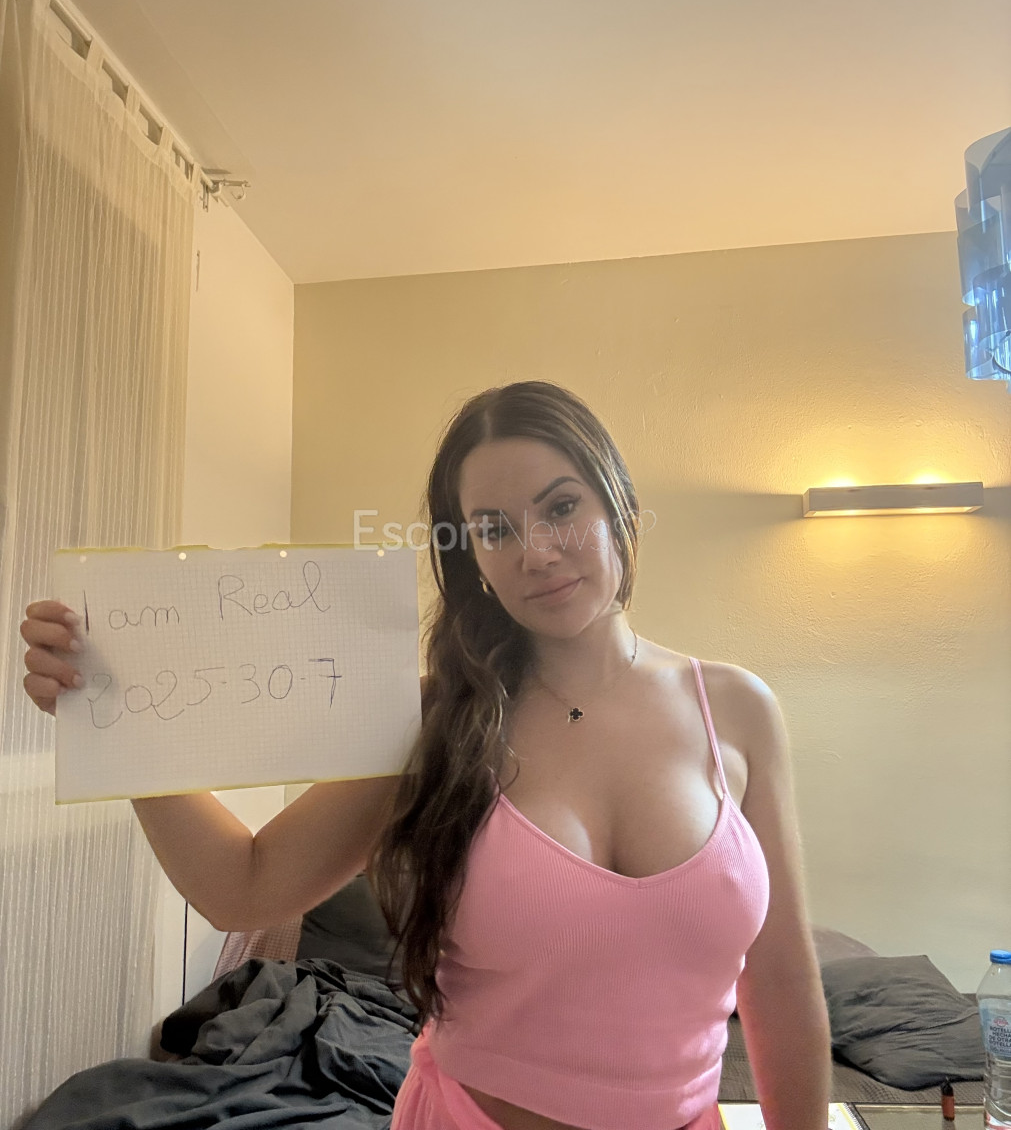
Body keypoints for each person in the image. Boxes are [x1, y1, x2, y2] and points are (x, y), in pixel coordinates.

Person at [21, 380, 832, 1130]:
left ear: (618, 503)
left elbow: (781, 981)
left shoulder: (736, 709)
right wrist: (116, 717)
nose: (536, 551)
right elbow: (244, 887)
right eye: (494, 529)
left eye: (561, 506)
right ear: (469, 558)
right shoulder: (429, 719)